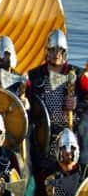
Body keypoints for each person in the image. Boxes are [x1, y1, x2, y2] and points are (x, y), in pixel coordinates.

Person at [28, 29, 86, 167]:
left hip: (70, 138)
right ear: (47, 51)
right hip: (42, 136)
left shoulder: (77, 75)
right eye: (53, 50)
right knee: (43, 174)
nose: (56, 54)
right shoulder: (35, 76)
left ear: (65, 52)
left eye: (60, 50)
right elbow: (27, 103)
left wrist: (78, 103)